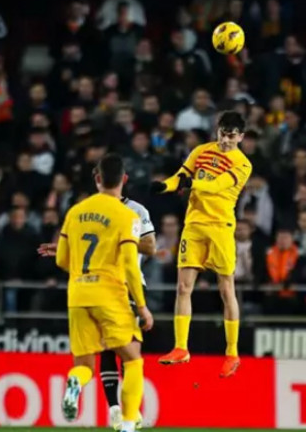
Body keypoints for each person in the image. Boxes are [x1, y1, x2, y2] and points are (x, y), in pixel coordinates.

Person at [38, 175, 156, 430]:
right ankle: (124, 415)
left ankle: (88, 391)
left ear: (102, 179)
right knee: (129, 354)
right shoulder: (106, 213)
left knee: (94, 359)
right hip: (120, 287)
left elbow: (150, 246)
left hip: (82, 291)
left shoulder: (132, 210)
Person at [151, 110, 252, 377]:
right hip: (194, 225)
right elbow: (180, 176)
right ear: (217, 130)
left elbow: (216, 186)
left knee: (226, 289)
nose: (226, 140)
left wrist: (190, 183)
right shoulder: (201, 151)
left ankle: (232, 353)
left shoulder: (243, 164)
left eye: (232, 136)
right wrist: (164, 186)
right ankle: (181, 347)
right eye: (222, 133)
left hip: (220, 227)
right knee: (183, 287)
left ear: (241, 137)